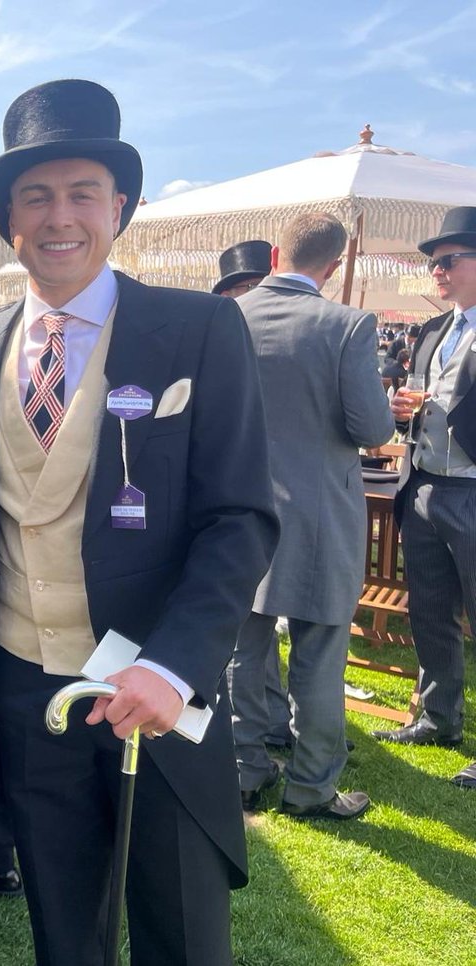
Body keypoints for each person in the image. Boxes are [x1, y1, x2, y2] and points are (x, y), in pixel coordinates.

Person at [0, 79, 278, 966]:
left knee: (181, 932)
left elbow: (240, 518)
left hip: (153, 689)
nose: (60, 217)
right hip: (27, 689)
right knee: (64, 928)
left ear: (119, 206)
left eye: (82, 192)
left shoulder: (200, 328)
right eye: (35, 196)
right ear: (9, 219)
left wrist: (175, 665)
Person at [229, 212, 393, 820]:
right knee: (320, 652)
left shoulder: (230, 317)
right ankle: (311, 786)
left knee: (244, 647)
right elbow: (374, 428)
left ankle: (246, 768)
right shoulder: (347, 325)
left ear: (275, 255)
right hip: (321, 513)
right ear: (332, 266)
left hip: (241, 513)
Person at [374, 206, 476, 792]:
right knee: (429, 610)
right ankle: (440, 719)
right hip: (424, 484)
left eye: (448, 261)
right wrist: (405, 414)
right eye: (434, 264)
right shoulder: (436, 330)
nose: (436, 271)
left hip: (472, 488)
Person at [211, 238, 292, 752]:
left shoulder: (221, 327)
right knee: (251, 624)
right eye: (242, 288)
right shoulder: (208, 338)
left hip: (271, 497)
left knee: (254, 625)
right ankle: (260, 729)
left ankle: (262, 728)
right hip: (264, 498)